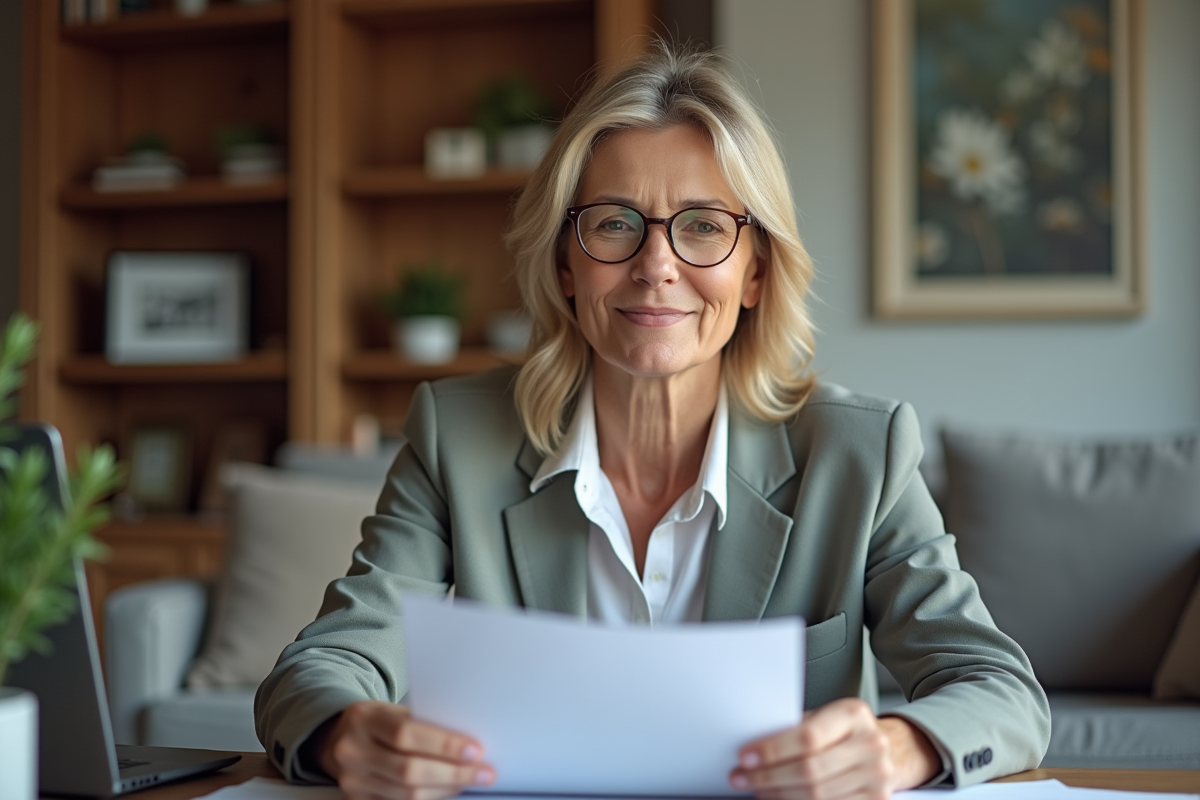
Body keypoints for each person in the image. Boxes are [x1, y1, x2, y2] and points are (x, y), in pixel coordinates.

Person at [255, 43, 1050, 800]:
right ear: (565, 262)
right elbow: (324, 665)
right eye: (614, 223)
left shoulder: (859, 454)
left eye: (704, 225)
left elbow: (1001, 692)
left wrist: (895, 748)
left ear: (755, 272)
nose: (657, 264)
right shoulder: (455, 437)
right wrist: (346, 733)